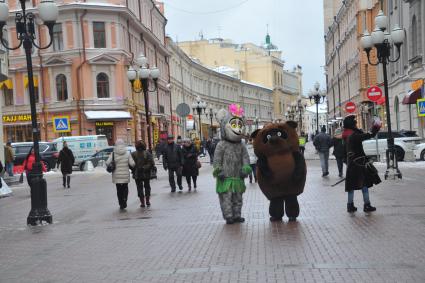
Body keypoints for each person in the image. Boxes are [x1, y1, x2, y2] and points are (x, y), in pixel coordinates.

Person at [343, 115, 381, 213]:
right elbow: (368, 135)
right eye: (355, 123)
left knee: (351, 186)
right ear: (352, 125)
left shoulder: (350, 135)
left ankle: (350, 205)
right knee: (364, 184)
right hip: (358, 163)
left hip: (352, 164)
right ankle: (367, 205)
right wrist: (376, 127)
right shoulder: (354, 135)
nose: (356, 124)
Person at [106, 139, 135, 210]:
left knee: (119, 190)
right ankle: (125, 200)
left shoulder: (113, 153)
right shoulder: (128, 153)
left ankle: (121, 203)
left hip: (116, 175)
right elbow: (132, 164)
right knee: (125, 188)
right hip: (125, 175)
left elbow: (107, 163)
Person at [131, 140, 155, 207]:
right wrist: (145, 168)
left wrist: (134, 169)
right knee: (147, 187)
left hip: (137, 174)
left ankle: (142, 202)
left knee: (139, 188)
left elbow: (130, 164)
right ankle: (147, 201)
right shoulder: (147, 153)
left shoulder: (133, 154)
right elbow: (152, 163)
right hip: (146, 173)